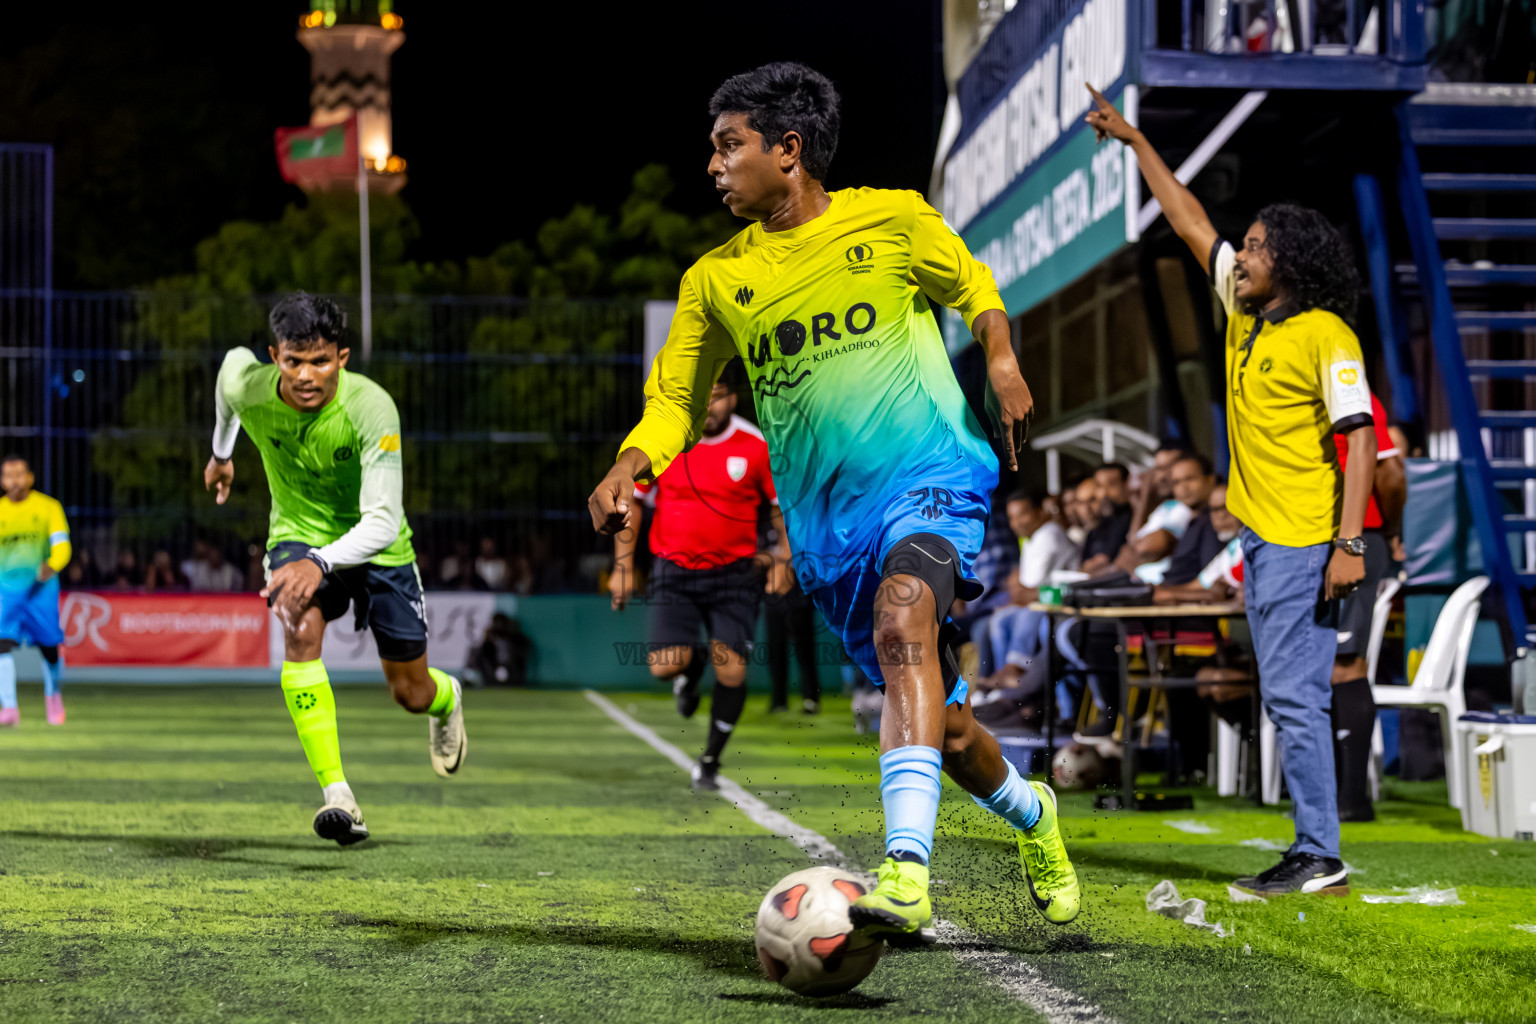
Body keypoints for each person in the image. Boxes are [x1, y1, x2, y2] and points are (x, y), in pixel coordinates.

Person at [588, 62, 1079, 941]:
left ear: (789, 149)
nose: (713, 165)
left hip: (929, 476)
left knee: (904, 623)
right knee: (950, 726)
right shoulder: (714, 280)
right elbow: (673, 400)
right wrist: (632, 463)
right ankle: (1033, 812)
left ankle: (905, 872)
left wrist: (1000, 359)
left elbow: (974, 289)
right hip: (825, 532)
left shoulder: (892, 218)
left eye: (728, 146)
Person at [1091, 86, 1375, 897]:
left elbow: (1359, 441)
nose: (1239, 255)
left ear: (1287, 261)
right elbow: (1186, 218)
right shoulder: (1242, 314)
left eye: (1253, 247)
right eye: (1242, 245)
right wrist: (1135, 140)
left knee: (1293, 698)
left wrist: (1348, 545)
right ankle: (1314, 847)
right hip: (1260, 541)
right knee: (1286, 697)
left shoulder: (1328, 333)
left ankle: (1321, 852)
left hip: (1304, 539)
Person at [203, 292, 467, 847]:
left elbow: (382, 518)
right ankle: (338, 795)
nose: (305, 375)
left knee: (410, 693)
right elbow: (229, 379)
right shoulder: (245, 383)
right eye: (293, 361)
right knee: (297, 624)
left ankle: (446, 698)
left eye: (319, 361)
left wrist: (321, 562)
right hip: (297, 533)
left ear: (341, 358)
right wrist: (222, 454)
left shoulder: (372, 409)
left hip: (379, 549)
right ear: (274, 356)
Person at [610, 380, 791, 787]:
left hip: (735, 573)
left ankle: (710, 760)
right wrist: (622, 567)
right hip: (673, 570)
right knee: (663, 665)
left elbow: (781, 508)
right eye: (703, 395)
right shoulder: (667, 443)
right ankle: (689, 674)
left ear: (733, 398)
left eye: (720, 394)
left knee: (732, 672)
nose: (710, 403)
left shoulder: (755, 444)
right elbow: (632, 507)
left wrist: (784, 557)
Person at [1330, 391, 1407, 821]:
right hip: (1317, 541)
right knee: (1322, 665)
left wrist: (1387, 531)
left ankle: (1352, 801)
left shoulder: (1349, 390)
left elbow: (1392, 474)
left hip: (1353, 542)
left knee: (1345, 664)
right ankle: (1332, 797)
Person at [0, 455, 70, 727]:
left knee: (50, 648)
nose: (15, 480)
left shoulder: (48, 507)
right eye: (8, 475)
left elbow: (62, 546)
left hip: (41, 591)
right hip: (6, 592)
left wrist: (52, 565)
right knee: (2, 645)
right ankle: (9, 708)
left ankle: (53, 695)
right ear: (2, 481)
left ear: (30, 477)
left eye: (19, 474)